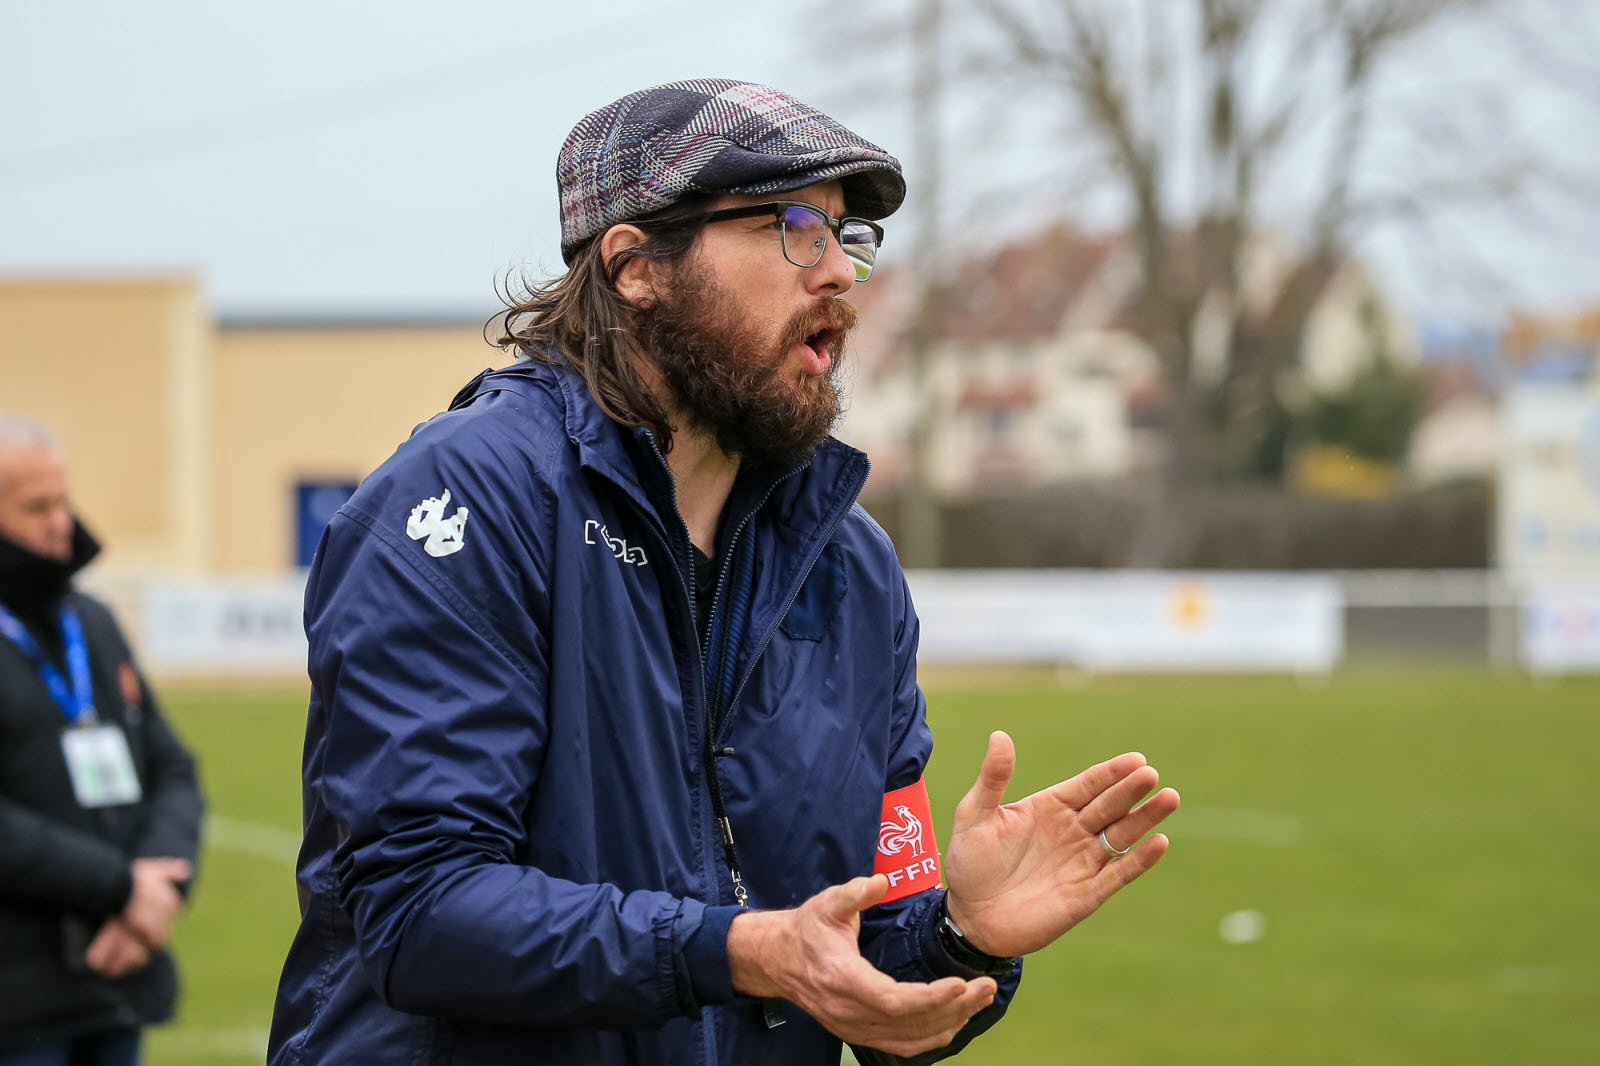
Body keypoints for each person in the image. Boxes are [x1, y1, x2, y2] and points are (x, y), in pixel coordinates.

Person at [269, 78, 1180, 1066]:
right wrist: (739, 949)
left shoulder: (849, 567)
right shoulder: (464, 501)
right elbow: (423, 910)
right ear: (634, 267)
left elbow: (866, 968)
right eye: (792, 227)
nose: (838, 273)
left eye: (847, 236)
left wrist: (964, 932)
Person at [0, 415, 203, 1066]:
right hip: (17, 1004)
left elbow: (172, 768)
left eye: (63, 500)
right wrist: (121, 889)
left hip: (117, 980)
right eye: (36, 507)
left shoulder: (91, 621)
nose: (61, 522)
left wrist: (158, 888)